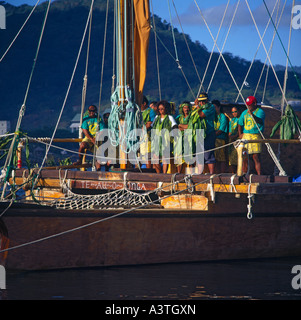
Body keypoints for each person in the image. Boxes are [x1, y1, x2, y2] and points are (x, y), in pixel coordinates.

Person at [238, 96, 265, 175]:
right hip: (246, 136)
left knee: (255, 157)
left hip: (255, 136)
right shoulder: (244, 112)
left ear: (255, 103)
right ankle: (244, 175)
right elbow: (240, 123)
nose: (248, 106)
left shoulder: (260, 112)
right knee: (245, 158)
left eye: (250, 104)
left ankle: (259, 175)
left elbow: (260, 121)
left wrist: (252, 115)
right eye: (247, 105)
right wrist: (240, 134)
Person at [74, 105, 104, 171]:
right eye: (90, 111)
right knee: (82, 145)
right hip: (89, 137)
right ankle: (79, 160)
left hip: (97, 137)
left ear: (95, 111)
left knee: (98, 156)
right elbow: (85, 130)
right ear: (88, 111)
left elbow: (102, 130)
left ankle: (98, 172)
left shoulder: (99, 119)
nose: (92, 112)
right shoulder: (86, 119)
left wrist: (96, 138)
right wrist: (91, 138)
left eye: (93, 111)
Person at [151, 100, 177, 173]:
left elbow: (175, 126)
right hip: (156, 140)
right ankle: (159, 173)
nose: (160, 110)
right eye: (159, 109)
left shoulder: (169, 117)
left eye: (162, 109)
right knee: (156, 158)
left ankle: (164, 174)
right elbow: (152, 126)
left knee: (165, 158)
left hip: (165, 141)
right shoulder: (156, 117)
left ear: (166, 109)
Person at [195, 92, 216, 174]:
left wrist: (197, 106)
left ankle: (211, 174)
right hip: (200, 133)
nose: (201, 103)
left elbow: (201, 114)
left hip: (209, 133)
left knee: (209, 154)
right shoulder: (199, 107)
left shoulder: (210, 107)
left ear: (207, 100)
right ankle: (199, 174)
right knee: (199, 155)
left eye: (203, 101)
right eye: (200, 101)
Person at [140, 96, 156, 169]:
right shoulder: (137, 111)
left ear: (144, 103)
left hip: (148, 136)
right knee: (139, 156)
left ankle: (149, 171)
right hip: (139, 137)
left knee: (148, 155)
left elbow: (151, 122)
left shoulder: (150, 111)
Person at [176, 101, 192, 173]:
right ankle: (179, 173)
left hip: (189, 139)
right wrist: (183, 127)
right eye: (185, 107)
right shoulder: (178, 118)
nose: (186, 109)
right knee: (179, 156)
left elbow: (190, 127)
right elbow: (176, 127)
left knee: (190, 156)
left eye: (188, 107)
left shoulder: (192, 117)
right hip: (180, 139)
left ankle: (191, 173)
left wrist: (181, 126)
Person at [213, 100, 228, 173]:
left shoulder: (222, 117)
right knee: (214, 158)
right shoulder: (212, 116)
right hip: (212, 140)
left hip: (220, 139)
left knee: (221, 158)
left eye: (215, 107)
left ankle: (222, 173)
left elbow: (221, 129)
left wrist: (212, 135)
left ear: (219, 107)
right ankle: (215, 173)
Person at [228, 106, 240, 173]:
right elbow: (230, 130)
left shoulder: (240, 119)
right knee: (231, 159)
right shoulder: (232, 120)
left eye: (235, 111)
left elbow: (240, 130)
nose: (234, 113)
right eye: (232, 112)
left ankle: (238, 172)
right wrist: (230, 136)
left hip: (237, 140)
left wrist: (235, 136)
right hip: (231, 140)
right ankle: (233, 173)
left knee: (238, 157)